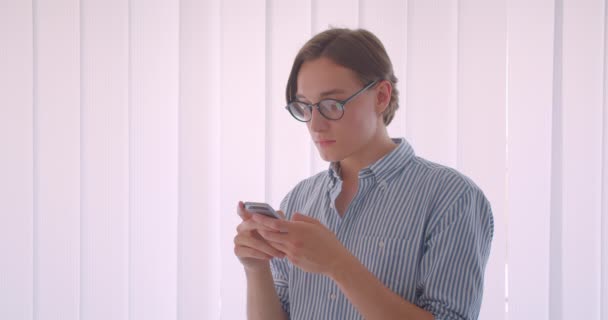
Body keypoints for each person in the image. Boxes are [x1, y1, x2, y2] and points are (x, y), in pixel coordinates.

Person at [233, 28, 493, 320]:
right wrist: (256, 269)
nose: (315, 125)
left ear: (381, 96)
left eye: (332, 104)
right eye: (305, 106)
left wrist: (337, 263)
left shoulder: (452, 198)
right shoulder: (299, 200)